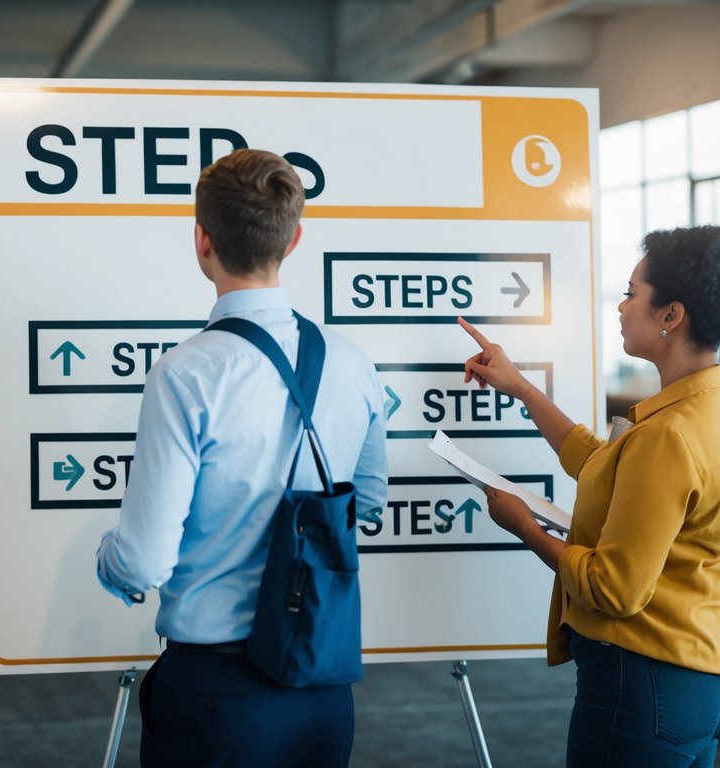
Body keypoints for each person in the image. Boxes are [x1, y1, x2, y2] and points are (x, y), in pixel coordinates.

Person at [95, 149, 388, 768]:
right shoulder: (353, 362)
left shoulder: (186, 374)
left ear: (202, 240)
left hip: (218, 694)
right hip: (324, 688)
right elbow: (368, 503)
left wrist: (108, 560)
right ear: (295, 238)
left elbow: (144, 561)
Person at [460, 225, 720, 767]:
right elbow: (605, 465)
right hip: (694, 682)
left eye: (631, 293)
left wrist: (526, 528)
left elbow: (614, 589)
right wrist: (524, 389)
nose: (620, 308)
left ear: (671, 316)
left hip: (639, 684)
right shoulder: (700, 412)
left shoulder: (666, 436)